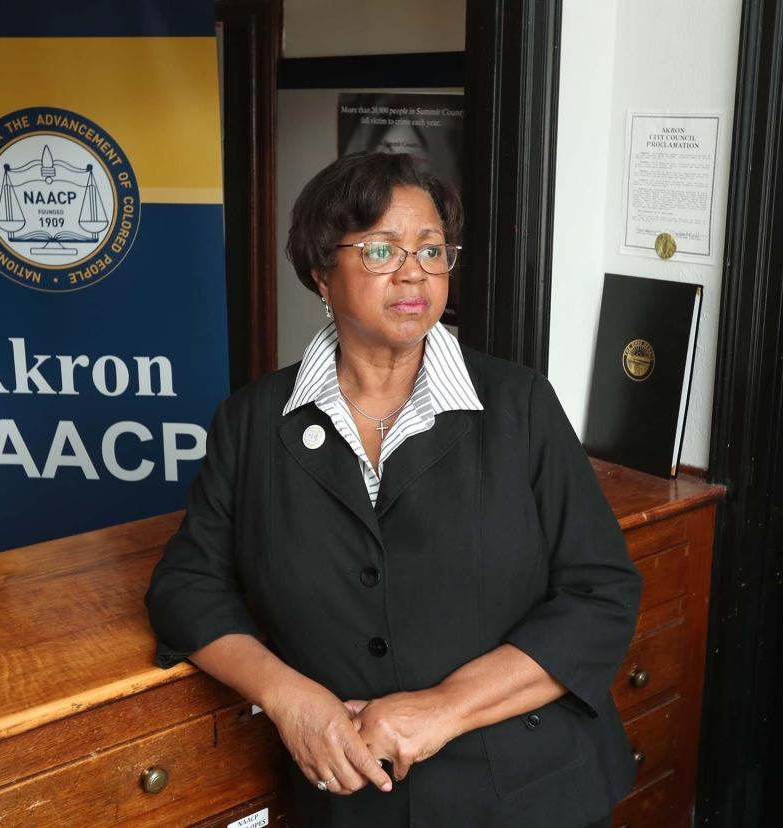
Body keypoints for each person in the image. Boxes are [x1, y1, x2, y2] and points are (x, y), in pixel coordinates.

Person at [145, 152, 642, 827]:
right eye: (381, 248)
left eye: (432, 249)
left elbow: (601, 594)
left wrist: (442, 709)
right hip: (352, 796)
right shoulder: (254, 422)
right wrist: (290, 700)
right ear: (322, 272)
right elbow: (186, 588)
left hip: (529, 794)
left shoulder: (518, 405)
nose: (414, 271)